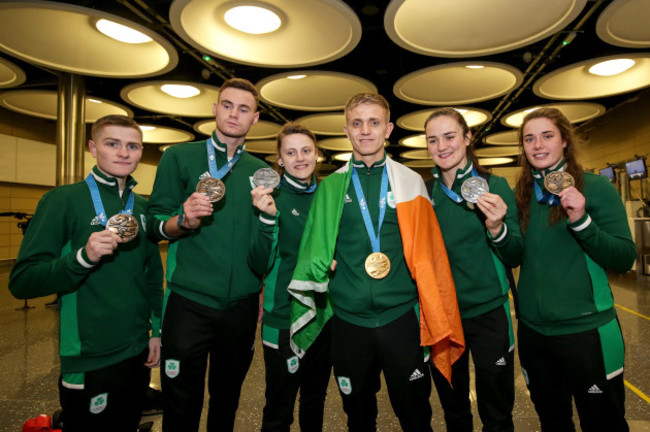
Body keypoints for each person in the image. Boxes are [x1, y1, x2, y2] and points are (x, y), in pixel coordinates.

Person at [288, 93, 465, 432]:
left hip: (400, 318)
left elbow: (429, 256)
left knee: (415, 415)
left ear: (388, 129)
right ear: (346, 130)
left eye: (373, 122)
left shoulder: (411, 182)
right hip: (348, 321)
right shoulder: (331, 188)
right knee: (357, 417)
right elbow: (315, 250)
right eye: (357, 123)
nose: (365, 131)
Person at [9, 114, 163, 432]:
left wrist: (157, 332)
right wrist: (83, 257)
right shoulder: (61, 201)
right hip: (90, 356)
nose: (123, 152)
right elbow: (22, 280)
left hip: (137, 350)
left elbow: (151, 276)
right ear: (93, 148)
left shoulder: (143, 208)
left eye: (133, 145)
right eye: (112, 143)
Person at [146, 77, 271, 432]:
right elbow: (154, 224)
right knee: (180, 402)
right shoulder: (179, 157)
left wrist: (260, 286)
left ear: (255, 118)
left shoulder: (261, 173)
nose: (234, 114)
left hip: (241, 307)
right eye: (227, 105)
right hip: (189, 303)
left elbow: (264, 244)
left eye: (244, 108)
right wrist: (181, 221)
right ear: (215, 109)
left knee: (227, 399)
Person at [514, 107, 636, 431]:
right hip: (534, 335)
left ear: (565, 140)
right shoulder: (523, 196)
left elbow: (625, 258)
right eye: (529, 138)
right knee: (553, 423)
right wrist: (497, 228)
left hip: (587, 333)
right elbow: (514, 256)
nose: (537, 144)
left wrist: (582, 221)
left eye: (547, 135)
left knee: (604, 423)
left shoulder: (595, 188)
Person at [424, 108, 522, 432]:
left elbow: (515, 254)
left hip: (489, 313)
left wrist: (497, 228)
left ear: (467, 138)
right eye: (433, 140)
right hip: (444, 316)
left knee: (496, 414)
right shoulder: (422, 194)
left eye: (450, 136)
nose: (442, 146)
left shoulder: (495, 185)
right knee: (455, 413)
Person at [250, 123, 331, 432]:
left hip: (325, 314)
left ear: (317, 155)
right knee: (279, 409)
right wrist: (267, 218)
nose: (300, 158)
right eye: (291, 152)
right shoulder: (269, 198)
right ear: (280, 160)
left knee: (315, 400)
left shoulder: (328, 197)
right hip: (284, 315)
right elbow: (258, 261)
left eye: (306, 150)